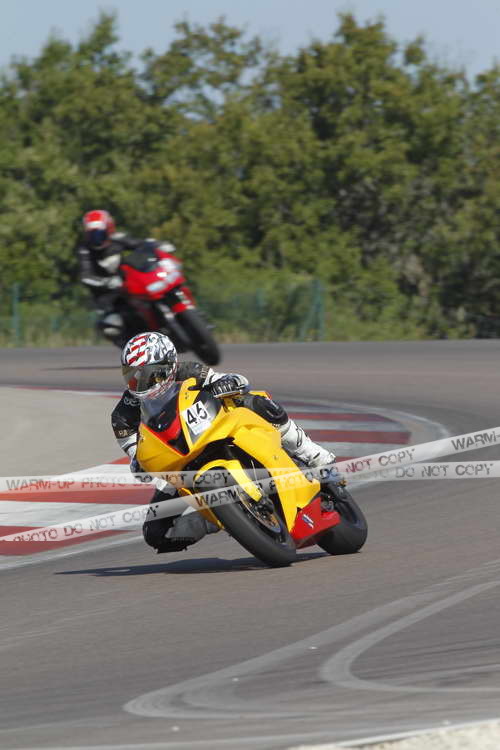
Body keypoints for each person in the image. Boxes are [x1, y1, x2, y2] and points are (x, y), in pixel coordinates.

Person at [112, 331, 341, 554]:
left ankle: (313, 454)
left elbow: (234, 380)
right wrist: (137, 461)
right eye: (131, 375)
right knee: (155, 533)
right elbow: (134, 450)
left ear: (167, 365)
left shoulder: (189, 371)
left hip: (214, 429)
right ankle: (220, 517)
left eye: (146, 374)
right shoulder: (123, 414)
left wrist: (227, 383)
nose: (137, 382)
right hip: (177, 461)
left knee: (255, 401)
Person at [76, 209, 178, 345]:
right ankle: (135, 348)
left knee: (158, 290)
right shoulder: (84, 250)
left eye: (99, 234)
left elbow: (140, 243)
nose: (96, 239)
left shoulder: (117, 239)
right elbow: (85, 276)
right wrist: (106, 282)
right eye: (92, 235)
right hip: (108, 296)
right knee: (111, 327)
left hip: (128, 284)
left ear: (109, 229)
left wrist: (158, 245)